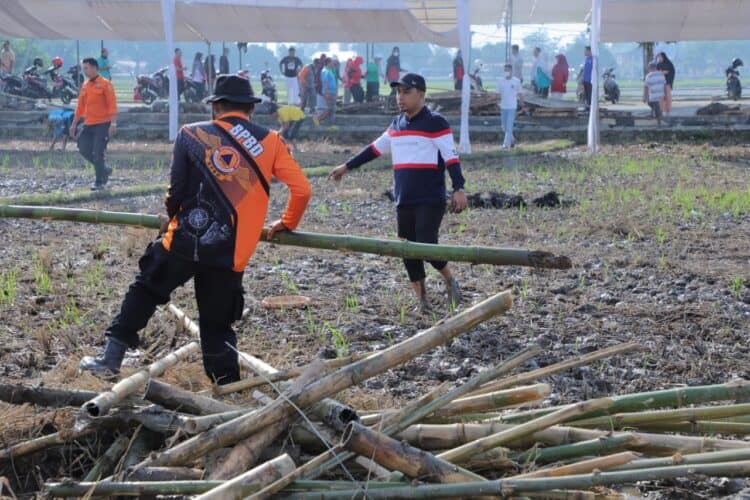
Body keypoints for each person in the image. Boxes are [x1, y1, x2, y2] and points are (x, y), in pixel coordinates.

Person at [78, 74, 312, 384]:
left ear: (216, 107)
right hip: (231, 252)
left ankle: (110, 359)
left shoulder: (190, 134)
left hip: (185, 240)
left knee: (146, 289)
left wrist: (172, 218)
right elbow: (303, 190)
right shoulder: (271, 142)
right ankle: (227, 388)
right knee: (217, 325)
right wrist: (287, 223)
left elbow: (175, 191)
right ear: (249, 110)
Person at [328, 73, 467, 312]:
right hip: (403, 198)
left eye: (406, 92)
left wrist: (459, 188)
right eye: (397, 92)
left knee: (426, 245)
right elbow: (373, 149)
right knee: (407, 251)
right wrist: (346, 166)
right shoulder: (396, 125)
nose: (400, 97)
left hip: (429, 198)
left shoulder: (436, 122)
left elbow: (451, 157)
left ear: (421, 95)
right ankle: (422, 301)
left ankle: (449, 278)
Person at [70, 58, 118, 191]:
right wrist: (74, 124)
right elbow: (80, 107)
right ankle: (104, 169)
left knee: (98, 152)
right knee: (83, 148)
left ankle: (99, 182)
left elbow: (112, 105)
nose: (84, 71)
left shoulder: (106, 84)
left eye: (86, 68)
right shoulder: (85, 85)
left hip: (103, 124)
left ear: (94, 68)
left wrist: (113, 123)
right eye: (83, 68)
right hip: (89, 123)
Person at [497, 63, 524, 150]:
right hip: (503, 106)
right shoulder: (500, 81)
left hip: (512, 107)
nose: (506, 72)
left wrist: (522, 102)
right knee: (504, 127)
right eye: (505, 70)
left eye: (508, 70)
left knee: (509, 126)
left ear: (511, 71)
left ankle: (505, 145)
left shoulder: (516, 81)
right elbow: (497, 94)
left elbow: (520, 93)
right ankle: (512, 140)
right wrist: (497, 102)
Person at [644, 62, 666, 126]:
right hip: (661, 94)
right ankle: (656, 115)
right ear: (656, 67)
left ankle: (658, 122)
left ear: (650, 68)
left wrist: (645, 97)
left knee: (653, 106)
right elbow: (664, 85)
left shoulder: (648, 76)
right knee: (656, 107)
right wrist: (665, 94)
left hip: (653, 95)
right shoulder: (661, 75)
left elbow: (646, 87)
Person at [316, 58, 337, 125]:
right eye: (331, 62)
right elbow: (325, 82)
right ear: (328, 63)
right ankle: (318, 119)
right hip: (329, 92)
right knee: (330, 109)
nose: (333, 64)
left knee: (332, 109)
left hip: (331, 92)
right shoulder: (325, 71)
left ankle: (330, 124)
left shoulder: (329, 70)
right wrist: (326, 92)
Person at [656, 52, 675, 117]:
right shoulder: (658, 64)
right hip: (660, 83)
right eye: (658, 57)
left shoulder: (669, 64)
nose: (659, 58)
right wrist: (661, 72)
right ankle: (662, 110)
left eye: (660, 57)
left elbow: (671, 72)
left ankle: (668, 110)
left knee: (668, 97)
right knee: (661, 97)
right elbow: (656, 72)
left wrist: (663, 72)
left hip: (667, 83)